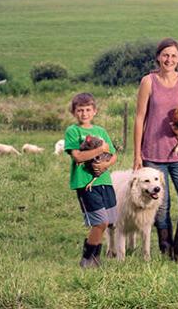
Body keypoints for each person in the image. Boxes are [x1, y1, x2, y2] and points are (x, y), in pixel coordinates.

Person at [133, 38, 178, 262]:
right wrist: (137, 154)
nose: (169, 59)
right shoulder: (148, 81)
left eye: (174, 56)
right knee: (161, 208)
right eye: (165, 55)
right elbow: (139, 118)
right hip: (152, 153)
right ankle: (165, 249)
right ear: (158, 57)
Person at [64, 92, 118, 268]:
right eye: (80, 110)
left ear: (94, 111)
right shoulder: (73, 131)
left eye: (88, 110)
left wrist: (105, 165)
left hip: (104, 181)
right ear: (74, 112)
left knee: (107, 222)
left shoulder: (101, 131)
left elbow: (113, 155)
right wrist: (99, 149)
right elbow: (78, 157)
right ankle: (87, 259)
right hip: (85, 183)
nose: (84, 113)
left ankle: (95, 259)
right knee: (99, 222)